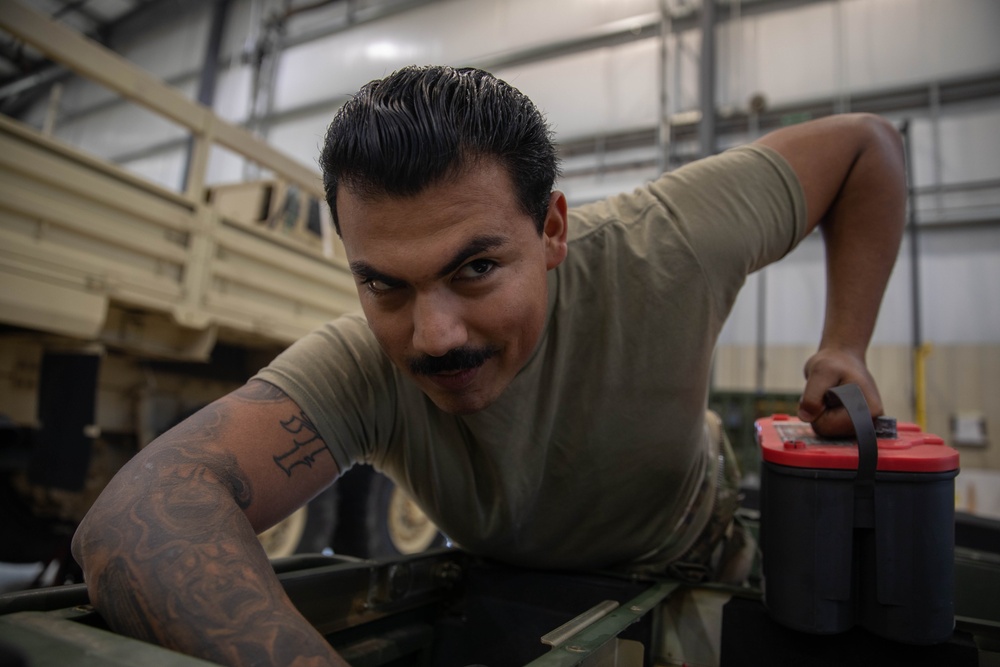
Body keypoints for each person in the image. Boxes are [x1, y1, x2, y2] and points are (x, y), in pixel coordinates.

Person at [72, 65, 905, 666]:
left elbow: (868, 148)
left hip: (696, 558)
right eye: (383, 283)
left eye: (475, 269)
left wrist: (845, 344)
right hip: (516, 593)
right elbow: (137, 511)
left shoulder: (670, 242)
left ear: (550, 230)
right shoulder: (363, 363)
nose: (433, 336)